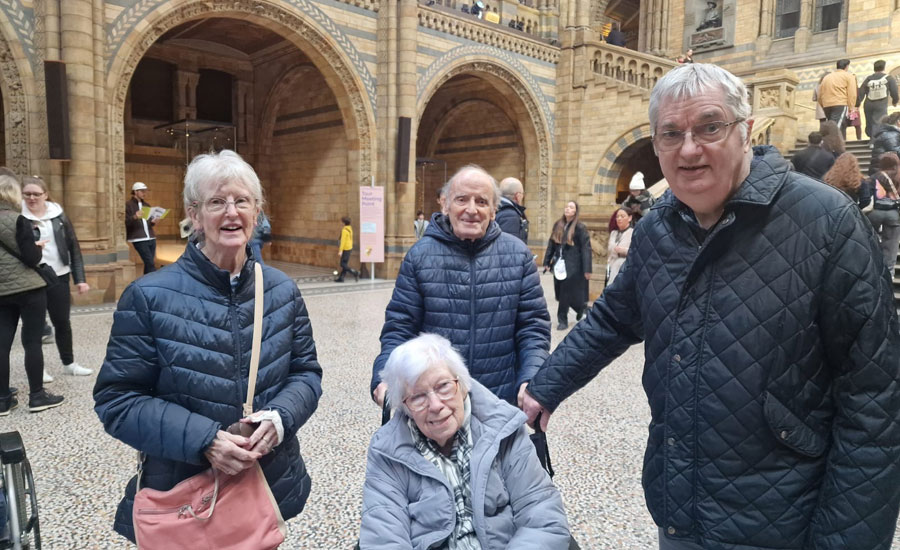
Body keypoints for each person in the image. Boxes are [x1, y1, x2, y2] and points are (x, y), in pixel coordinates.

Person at [522, 63, 900, 550]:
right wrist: (545, 388)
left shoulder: (828, 224)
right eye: (671, 133)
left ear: (745, 131)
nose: (689, 148)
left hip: (785, 521)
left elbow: (874, 404)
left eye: (710, 126)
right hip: (681, 510)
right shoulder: (658, 228)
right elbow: (615, 318)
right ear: (656, 145)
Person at [94, 150, 323, 544]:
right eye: (217, 202)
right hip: (185, 492)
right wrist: (205, 440)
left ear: (257, 212)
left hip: (266, 483)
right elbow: (117, 400)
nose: (231, 212)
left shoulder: (282, 290)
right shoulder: (148, 297)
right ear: (194, 216)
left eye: (241, 201)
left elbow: (306, 373)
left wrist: (281, 418)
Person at [359, 333, 570, 550]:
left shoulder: (505, 431)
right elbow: (383, 539)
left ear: (462, 385)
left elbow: (543, 517)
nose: (435, 405)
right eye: (417, 397)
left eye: (443, 386)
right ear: (405, 407)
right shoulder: (387, 453)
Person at [371, 165, 550, 408]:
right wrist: (384, 376)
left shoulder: (518, 256)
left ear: (494, 210)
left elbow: (533, 328)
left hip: (499, 399)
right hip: (437, 403)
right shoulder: (419, 256)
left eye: (482, 201)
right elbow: (400, 327)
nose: (471, 209)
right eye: (462, 199)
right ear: (445, 205)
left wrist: (531, 378)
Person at [0, 174, 64, 415]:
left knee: (2, 344)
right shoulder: (19, 220)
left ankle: (3, 400)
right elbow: (31, 258)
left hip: (2, 291)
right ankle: (37, 395)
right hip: (29, 290)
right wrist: (37, 248)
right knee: (32, 342)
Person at [20, 176, 93, 380]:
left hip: (59, 275)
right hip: (32, 276)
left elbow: (73, 246)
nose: (32, 198)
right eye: (27, 194)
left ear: (45, 194)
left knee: (62, 322)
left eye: (36, 194)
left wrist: (80, 278)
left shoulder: (58, 215)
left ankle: (69, 363)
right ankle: (38, 368)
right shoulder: (20, 217)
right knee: (34, 325)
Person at [542, 201, 591, 330]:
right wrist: (547, 262)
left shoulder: (580, 227)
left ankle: (562, 320)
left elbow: (586, 248)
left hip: (574, 266)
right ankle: (581, 308)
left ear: (575, 211)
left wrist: (587, 269)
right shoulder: (558, 225)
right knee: (559, 294)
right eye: (566, 207)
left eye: (571, 207)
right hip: (559, 264)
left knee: (564, 293)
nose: (568, 209)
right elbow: (551, 245)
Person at [859, 152, 900, 278]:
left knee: (872, 240)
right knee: (892, 244)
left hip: (874, 213)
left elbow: (867, 196)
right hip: (893, 214)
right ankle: (889, 273)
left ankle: (872, 268)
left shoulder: (873, 177)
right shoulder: (898, 177)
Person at [857, 59, 899, 139]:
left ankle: (871, 139)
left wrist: (857, 103)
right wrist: (895, 101)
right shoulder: (888, 78)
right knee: (879, 122)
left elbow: (861, 91)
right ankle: (875, 141)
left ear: (874, 68)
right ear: (884, 68)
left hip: (868, 103)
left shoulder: (869, 78)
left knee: (869, 122)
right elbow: (894, 91)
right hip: (881, 103)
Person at [817, 59, 858, 139]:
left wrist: (823, 105)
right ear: (847, 67)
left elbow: (819, 94)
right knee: (835, 128)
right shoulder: (849, 76)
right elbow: (852, 93)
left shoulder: (827, 77)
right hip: (840, 104)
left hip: (826, 105)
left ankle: (840, 147)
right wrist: (851, 107)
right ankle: (831, 147)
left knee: (838, 125)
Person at [124, 182, 157, 274]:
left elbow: (148, 223)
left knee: (149, 263)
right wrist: (135, 216)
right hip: (139, 238)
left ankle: (146, 283)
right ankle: (153, 281)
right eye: (142, 191)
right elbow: (124, 222)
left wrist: (153, 222)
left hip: (151, 237)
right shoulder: (128, 205)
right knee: (150, 263)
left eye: (145, 191)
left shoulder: (147, 205)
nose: (144, 193)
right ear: (135, 192)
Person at [495, 176, 529, 243]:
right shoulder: (510, 215)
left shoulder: (496, 208)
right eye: (522, 194)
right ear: (517, 196)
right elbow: (509, 245)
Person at [606, 207, 633, 286]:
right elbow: (610, 250)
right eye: (617, 216)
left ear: (629, 218)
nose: (619, 219)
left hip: (624, 268)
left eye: (622, 216)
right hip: (611, 266)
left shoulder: (633, 232)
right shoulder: (613, 233)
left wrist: (624, 250)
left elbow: (636, 252)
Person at [868, 111, 900, 175]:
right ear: (898, 122)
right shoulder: (890, 135)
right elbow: (896, 152)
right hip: (883, 173)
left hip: (883, 171)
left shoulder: (890, 133)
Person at [335, 215, 359, 282]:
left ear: (343, 223)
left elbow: (343, 241)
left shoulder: (344, 230)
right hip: (349, 248)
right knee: (345, 263)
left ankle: (354, 272)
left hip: (345, 248)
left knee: (342, 264)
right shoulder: (350, 229)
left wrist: (340, 250)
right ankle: (341, 278)